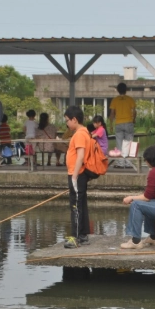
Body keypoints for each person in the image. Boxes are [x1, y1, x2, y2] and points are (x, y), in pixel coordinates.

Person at [64, 105, 92, 249]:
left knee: (75, 206)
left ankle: (75, 237)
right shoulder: (83, 132)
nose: (67, 124)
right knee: (80, 204)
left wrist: (74, 176)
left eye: (67, 121)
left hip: (77, 175)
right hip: (78, 175)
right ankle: (82, 235)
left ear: (74, 119)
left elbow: (80, 156)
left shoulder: (80, 134)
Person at [109, 82, 136, 168]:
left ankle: (120, 163)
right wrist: (133, 120)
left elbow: (112, 113)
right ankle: (128, 163)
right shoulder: (130, 99)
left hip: (118, 123)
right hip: (128, 122)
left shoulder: (115, 100)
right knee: (129, 143)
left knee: (119, 144)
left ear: (117, 90)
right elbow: (134, 111)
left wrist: (111, 124)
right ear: (126, 90)